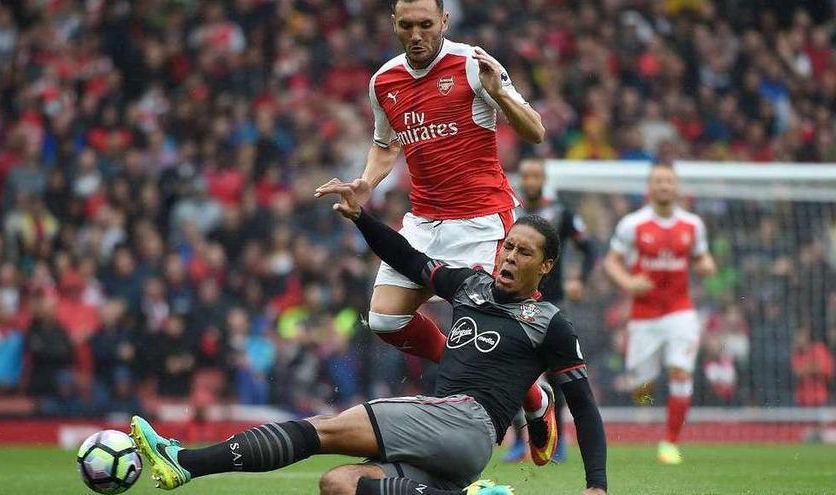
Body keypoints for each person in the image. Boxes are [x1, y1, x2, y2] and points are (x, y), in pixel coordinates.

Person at [129, 181, 608, 495]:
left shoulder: (550, 321)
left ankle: (184, 461)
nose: (508, 258)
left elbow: (584, 405)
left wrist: (597, 486)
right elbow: (408, 258)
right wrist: (361, 218)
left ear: (546, 266)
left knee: (325, 429)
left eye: (524, 254)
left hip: (467, 423)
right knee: (338, 485)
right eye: (507, 247)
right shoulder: (471, 285)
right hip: (449, 452)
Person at [314, 0, 550, 462]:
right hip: (424, 223)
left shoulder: (472, 65)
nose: (417, 34)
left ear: (444, 22)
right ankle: (529, 395)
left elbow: (536, 131)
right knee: (384, 319)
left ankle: (531, 407)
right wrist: (365, 183)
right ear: (394, 26)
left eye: (426, 24)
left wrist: (499, 94)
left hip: (483, 222)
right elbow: (385, 146)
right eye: (407, 26)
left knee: (490, 334)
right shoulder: (383, 81)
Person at [603, 163, 716, 465]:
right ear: (649, 188)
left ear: (676, 187)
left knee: (680, 370)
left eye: (669, 181)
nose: (664, 186)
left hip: (680, 311)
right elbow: (611, 262)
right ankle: (649, 396)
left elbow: (702, 256)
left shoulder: (693, 225)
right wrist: (627, 282)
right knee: (642, 388)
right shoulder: (633, 224)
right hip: (644, 316)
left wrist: (706, 264)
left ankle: (670, 441)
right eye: (658, 181)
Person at [502, 158, 596, 463]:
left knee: (560, 374)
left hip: (554, 303)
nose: (530, 181)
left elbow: (589, 248)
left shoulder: (561, 213)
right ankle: (519, 440)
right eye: (526, 175)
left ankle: (560, 441)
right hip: (516, 303)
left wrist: (579, 280)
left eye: (535, 175)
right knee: (515, 370)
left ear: (543, 179)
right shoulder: (511, 213)